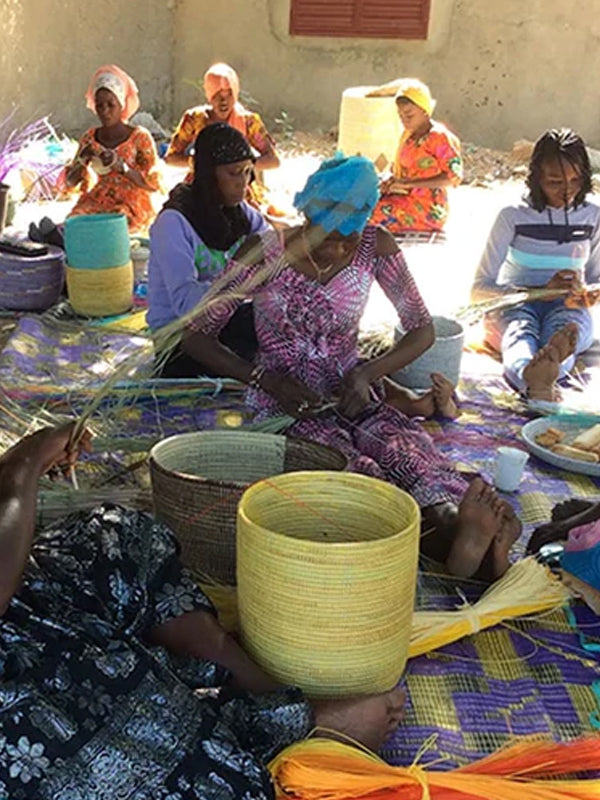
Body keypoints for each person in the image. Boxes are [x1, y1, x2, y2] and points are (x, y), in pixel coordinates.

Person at [0, 175, 406, 799]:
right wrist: (23, 472)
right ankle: (302, 732)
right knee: (121, 709)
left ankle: (263, 696)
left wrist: (5, 468)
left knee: (119, 541)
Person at [182, 154, 521, 580]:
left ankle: (458, 526)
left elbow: (421, 328)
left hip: (356, 396)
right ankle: (462, 552)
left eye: (350, 234)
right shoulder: (265, 254)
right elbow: (194, 335)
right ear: (308, 215)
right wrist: (266, 380)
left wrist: (367, 374)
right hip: (285, 407)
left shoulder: (374, 247)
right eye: (328, 234)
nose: (340, 247)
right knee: (358, 476)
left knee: (408, 456)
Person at [471, 128, 600, 401]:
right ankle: (533, 377)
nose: (568, 191)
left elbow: (597, 281)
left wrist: (584, 293)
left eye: (576, 180)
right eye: (555, 182)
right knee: (519, 336)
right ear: (536, 178)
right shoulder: (512, 217)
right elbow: (479, 290)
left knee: (566, 336)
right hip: (515, 305)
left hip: (568, 306)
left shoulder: (593, 217)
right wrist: (535, 291)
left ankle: (544, 376)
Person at [147, 122, 270, 377]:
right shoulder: (173, 222)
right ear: (208, 174)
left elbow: (272, 247)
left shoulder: (241, 215)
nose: (243, 184)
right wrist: (239, 270)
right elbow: (185, 305)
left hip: (224, 321)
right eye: (233, 173)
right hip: (179, 339)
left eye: (247, 172)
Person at [34, 65, 160, 240]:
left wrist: (122, 167)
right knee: (77, 218)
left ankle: (61, 238)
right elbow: (70, 183)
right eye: (100, 105)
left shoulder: (139, 137)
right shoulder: (90, 137)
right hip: (100, 197)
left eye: (111, 105)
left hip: (131, 203)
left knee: (112, 225)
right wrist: (81, 161)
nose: (105, 111)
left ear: (122, 104)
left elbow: (153, 184)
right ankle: (60, 236)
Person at [165, 63, 280, 211]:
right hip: (203, 185)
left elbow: (273, 160)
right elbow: (171, 158)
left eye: (229, 95)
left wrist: (240, 167)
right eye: (218, 95)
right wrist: (200, 163)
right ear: (209, 95)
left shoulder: (248, 121)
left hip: (239, 188)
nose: (223, 101)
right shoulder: (195, 119)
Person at [370, 79, 462, 233]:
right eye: (400, 116)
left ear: (424, 110)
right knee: (361, 205)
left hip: (428, 208)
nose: (404, 121)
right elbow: (399, 169)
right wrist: (390, 181)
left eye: (409, 115)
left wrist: (410, 183)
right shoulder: (408, 136)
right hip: (405, 198)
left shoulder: (438, 137)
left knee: (371, 217)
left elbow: (452, 178)